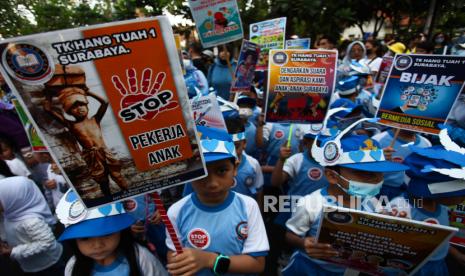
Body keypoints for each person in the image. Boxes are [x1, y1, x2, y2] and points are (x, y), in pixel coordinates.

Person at [282, 119, 408, 275]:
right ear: (332, 175)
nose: (376, 180)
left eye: (379, 174)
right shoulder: (311, 203)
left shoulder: (373, 203)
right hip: (310, 269)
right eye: (365, 175)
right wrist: (304, 243)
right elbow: (290, 235)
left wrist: (394, 225)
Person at [166, 126, 269, 276]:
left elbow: (257, 264)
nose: (212, 183)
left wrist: (210, 260)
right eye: (202, 173)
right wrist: (178, 263)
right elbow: (173, 253)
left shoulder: (248, 206)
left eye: (221, 171)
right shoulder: (177, 211)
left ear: (235, 168)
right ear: (188, 173)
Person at [385, 139, 465, 276]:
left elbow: (438, 239)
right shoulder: (400, 209)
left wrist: (456, 254)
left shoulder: (440, 205)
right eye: (461, 193)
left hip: (438, 265)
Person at [56, 190, 168, 276]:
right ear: (74, 241)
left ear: (121, 231)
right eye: (85, 238)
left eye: (107, 234)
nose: (97, 245)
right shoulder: (73, 267)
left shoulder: (140, 256)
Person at [44, 87, 128, 197]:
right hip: (91, 156)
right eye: (74, 107)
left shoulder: (95, 119)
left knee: (117, 176)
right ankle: (109, 199)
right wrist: (48, 96)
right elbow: (48, 109)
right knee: (102, 181)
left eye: (82, 105)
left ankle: (128, 193)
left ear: (87, 106)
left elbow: (105, 102)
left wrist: (88, 92)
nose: (79, 109)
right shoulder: (72, 125)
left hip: (105, 152)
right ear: (69, 112)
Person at [0, 175, 63, 275]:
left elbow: (47, 242)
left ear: (13, 198)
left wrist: (14, 251)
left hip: (48, 265)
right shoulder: (10, 214)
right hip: (30, 265)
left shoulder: (31, 221)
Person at [372, 129, 431, 200]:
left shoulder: (426, 143)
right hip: (379, 189)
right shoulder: (378, 139)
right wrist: (378, 157)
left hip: (410, 192)